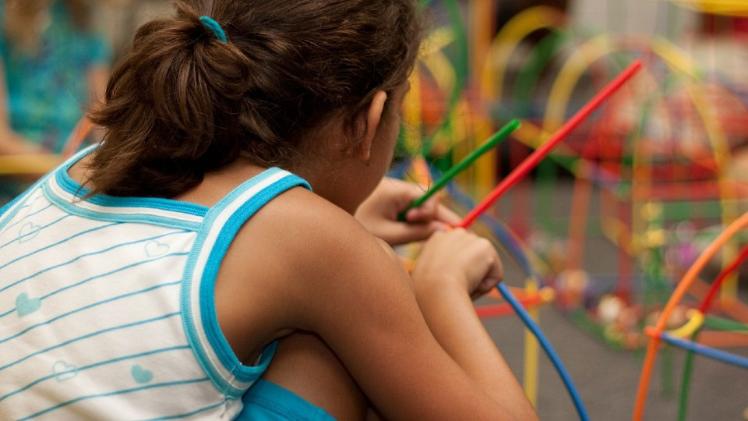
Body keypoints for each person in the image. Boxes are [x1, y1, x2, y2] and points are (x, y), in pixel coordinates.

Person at [0, 0, 537, 419]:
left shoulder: (99, 159)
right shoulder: (318, 246)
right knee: (330, 347)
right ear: (369, 120)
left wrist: (343, 223)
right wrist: (440, 287)